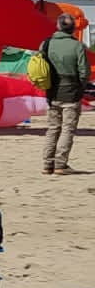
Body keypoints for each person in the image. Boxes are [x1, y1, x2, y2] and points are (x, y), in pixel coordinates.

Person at [40, 14, 89, 176]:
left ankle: (48, 164)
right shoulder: (77, 46)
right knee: (68, 129)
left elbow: (38, 66)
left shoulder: (46, 44)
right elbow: (84, 72)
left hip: (51, 92)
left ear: (58, 26)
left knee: (53, 128)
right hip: (71, 92)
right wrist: (80, 88)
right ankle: (60, 164)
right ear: (73, 29)